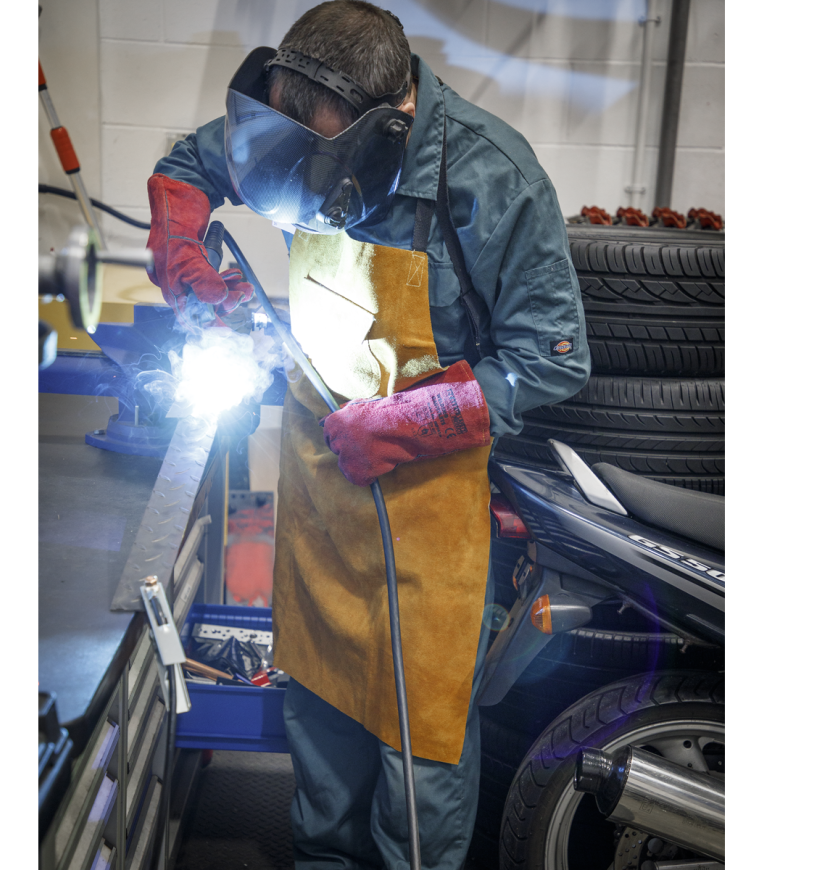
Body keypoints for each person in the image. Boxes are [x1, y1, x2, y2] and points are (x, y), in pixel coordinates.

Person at [145, 2, 590, 866]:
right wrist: (186, 263)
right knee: (320, 717)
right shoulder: (292, 116)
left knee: (414, 759)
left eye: (322, 162)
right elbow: (188, 164)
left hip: (429, 511)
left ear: (392, 127)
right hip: (320, 487)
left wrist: (410, 420)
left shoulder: (494, 178)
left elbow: (552, 359)